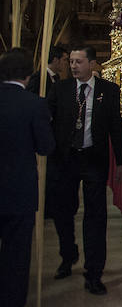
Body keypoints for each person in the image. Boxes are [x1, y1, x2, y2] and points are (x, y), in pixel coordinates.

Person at [47, 45, 122, 295]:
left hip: (94, 159)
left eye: (79, 62)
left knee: (95, 216)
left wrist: (121, 161)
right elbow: (47, 120)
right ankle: (67, 255)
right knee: (62, 211)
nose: (73, 66)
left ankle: (94, 273)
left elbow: (116, 127)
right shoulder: (59, 89)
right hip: (65, 159)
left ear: (92, 64)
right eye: (71, 61)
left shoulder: (109, 91)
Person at [0, 48, 55, 307]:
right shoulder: (34, 104)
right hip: (19, 191)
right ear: (29, 74)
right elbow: (45, 146)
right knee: (16, 256)